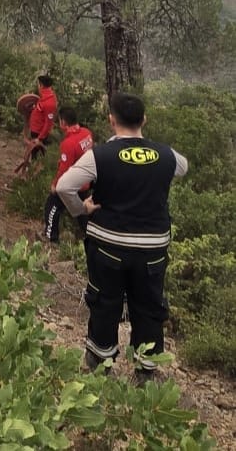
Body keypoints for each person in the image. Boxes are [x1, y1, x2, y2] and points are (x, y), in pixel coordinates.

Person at [56, 92, 188, 382]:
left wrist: (83, 209)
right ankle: (145, 372)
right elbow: (183, 167)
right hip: (153, 248)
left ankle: (99, 362)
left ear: (111, 120)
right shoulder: (166, 155)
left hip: (109, 244)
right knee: (149, 307)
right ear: (144, 120)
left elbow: (65, 186)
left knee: (105, 302)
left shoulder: (100, 155)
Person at [40, 106, 93, 243]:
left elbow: (64, 168)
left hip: (72, 184)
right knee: (82, 212)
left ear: (63, 122)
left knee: (52, 206)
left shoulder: (68, 143)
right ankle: (91, 237)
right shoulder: (87, 133)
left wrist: (55, 184)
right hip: (86, 182)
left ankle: (50, 236)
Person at [26, 74, 58, 159]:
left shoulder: (49, 102)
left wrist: (39, 138)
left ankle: (37, 170)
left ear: (41, 85)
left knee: (36, 155)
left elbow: (48, 123)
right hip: (35, 130)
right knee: (36, 153)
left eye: (38, 84)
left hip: (39, 133)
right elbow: (41, 107)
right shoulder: (45, 95)